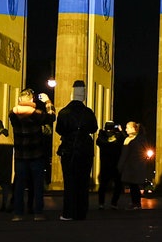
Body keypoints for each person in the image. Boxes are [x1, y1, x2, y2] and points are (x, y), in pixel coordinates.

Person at [9, 89, 54, 221]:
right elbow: (52, 117)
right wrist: (47, 101)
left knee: (19, 185)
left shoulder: (12, 114)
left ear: (19, 100)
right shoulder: (37, 114)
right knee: (37, 185)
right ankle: (38, 213)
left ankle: (18, 213)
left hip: (20, 155)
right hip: (36, 154)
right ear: (32, 100)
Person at [55, 80, 97, 221]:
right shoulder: (88, 112)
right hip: (85, 150)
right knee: (83, 182)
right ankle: (81, 212)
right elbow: (94, 128)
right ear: (83, 94)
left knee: (69, 182)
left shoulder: (64, 112)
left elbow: (59, 130)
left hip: (69, 149)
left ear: (72, 93)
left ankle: (68, 212)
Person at [116, 120, 150, 209]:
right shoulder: (142, 139)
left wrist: (120, 166)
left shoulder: (129, 140)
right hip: (139, 166)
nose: (126, 130)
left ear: (132, 128)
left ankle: (135, 203)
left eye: (127, 128)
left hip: (130, 167)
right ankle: (136, 203)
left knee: (133, 186)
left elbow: (124, 155)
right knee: (135, 185)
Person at [96, 120, 125, 209]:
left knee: (103, 185)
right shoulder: (117, 136)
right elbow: (123, 140)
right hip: (115, 163)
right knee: (118, 185)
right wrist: (120, 131)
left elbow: (99, 142)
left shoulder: (101, 137)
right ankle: (114, 203)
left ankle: (101, 203)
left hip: (105, 163)